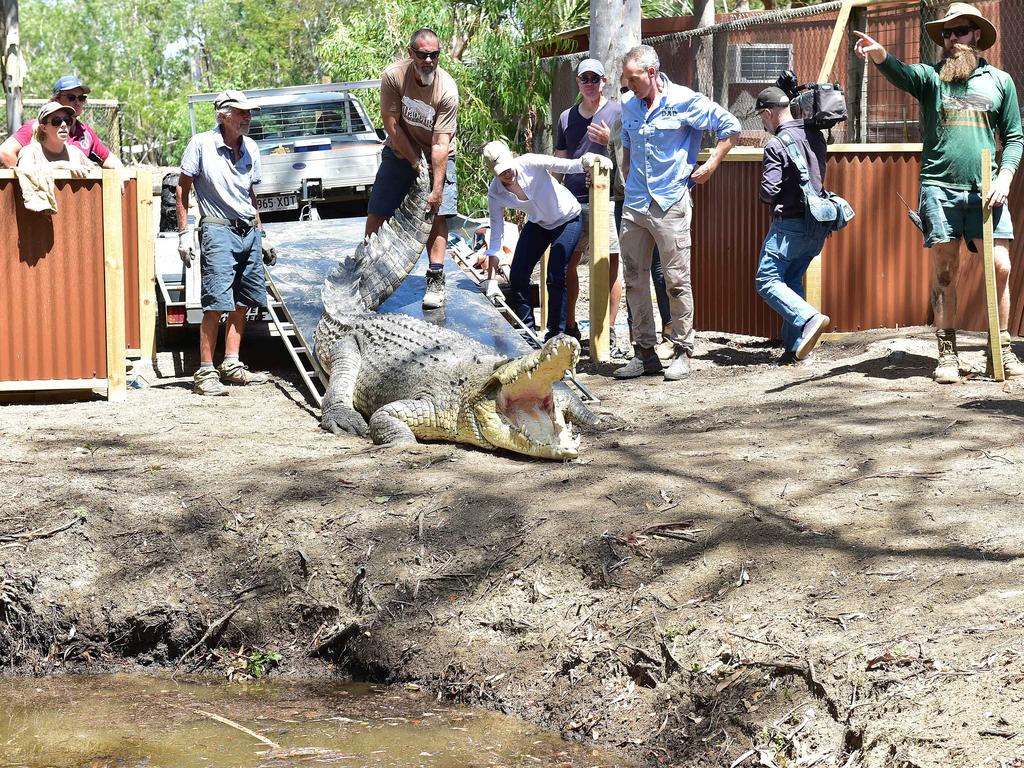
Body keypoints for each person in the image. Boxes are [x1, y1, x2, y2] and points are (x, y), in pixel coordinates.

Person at [855, 3, 1024, 383]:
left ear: (976, 35)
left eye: (959, 31)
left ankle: (1002, 350)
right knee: (946, 272)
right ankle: (947, 355)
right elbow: (900, 71)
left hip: (987, 188)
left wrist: (1006, 177)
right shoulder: (931, 79)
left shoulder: (1000, 82)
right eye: (946, 34)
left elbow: (1014, 137)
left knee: (1000, 267)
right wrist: (880, 55)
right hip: (940, 188)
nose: (951, 39)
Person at [614, 44, 741, 382]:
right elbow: (627, 141)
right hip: (635, 204)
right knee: (633, 278)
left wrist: (712, 164)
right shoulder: (628, 104)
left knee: (676, 280)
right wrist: (626, 172)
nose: (627, 85)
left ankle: (683, 350)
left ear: (651, 74)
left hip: (670, 202)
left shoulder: (685, 101)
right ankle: (644, 353)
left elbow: (731, 125)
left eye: (632, 78)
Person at [176, 90, 271, 397]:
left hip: (248, 230)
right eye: (241, 113)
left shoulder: (251, 147)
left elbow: (250, 195)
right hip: (216, 229)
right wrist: (183, 232)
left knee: (244, 301)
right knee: (216, 303)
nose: (247, 118)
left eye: (249, 113)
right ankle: (205, 371)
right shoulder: (201, 144)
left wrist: (262, 233)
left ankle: (232, 364)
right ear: (223, 115)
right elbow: (182, 190)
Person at [365, 27, 458, 310]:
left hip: (438, 153)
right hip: (399, 149)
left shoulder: (447, 90)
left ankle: (436, 277)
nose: (428, 60)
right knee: (379, 209)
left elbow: (441, 143)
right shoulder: (394, 76)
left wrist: (436, 185)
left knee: (437, 213)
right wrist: (415, 163)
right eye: (422, 55)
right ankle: (366, 268)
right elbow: (391, 124)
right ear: (411, 54)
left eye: (434, 55)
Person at [482, 140, 609, 340]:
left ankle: (556, 334)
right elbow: (496, 236)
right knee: (518, 274)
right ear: (494, 173)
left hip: (567, 218)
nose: (507, 173)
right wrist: (491, 281)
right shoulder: (495, 193)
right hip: (539, 223)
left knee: (556, 272)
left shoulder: (529, 162)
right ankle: (528, 333)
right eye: (501, 172)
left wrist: (588, 161)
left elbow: (565, 165)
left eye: (508, 167)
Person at [753, 86, 832, 365]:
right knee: (790, 281)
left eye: (761, 117)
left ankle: (809, 317)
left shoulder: (775, 144)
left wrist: (763, 192)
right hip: (816, 225)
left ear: (768, 112)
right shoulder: (815, 135)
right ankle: (797, 350)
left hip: (789, 227)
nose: (763, 123)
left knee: (766, 281)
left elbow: (769, 191)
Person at [554, 58, 625, 352]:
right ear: (578, 83)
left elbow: (627, 152)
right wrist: (549, 193)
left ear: (604, 81)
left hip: (607, 199)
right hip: (573, 201)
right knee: (568, 261)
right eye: (585, 79)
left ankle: (608, 330)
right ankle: (571, 326)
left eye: (595, 79)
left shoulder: (617, 111)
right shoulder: (566, 118)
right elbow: (559, 157)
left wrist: (610, 140)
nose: (590, 84)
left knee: (610, 263)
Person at [0, 76, 123, 171]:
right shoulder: (38, 126)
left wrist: (121, 173)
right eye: (71, 97)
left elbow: (108, 159)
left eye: (81, 98)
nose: (77, 102)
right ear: (56, 99)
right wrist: (25, 183)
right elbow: (5, 152)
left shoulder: (85, 132)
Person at [17, 102, 92, 178]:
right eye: (56, 121)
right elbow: (24, 172)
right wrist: (61, 165)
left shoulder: (75, 153)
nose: (64, 125)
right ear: (43, 128)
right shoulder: (30, 152)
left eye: (67, 120)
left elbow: (95, 172)